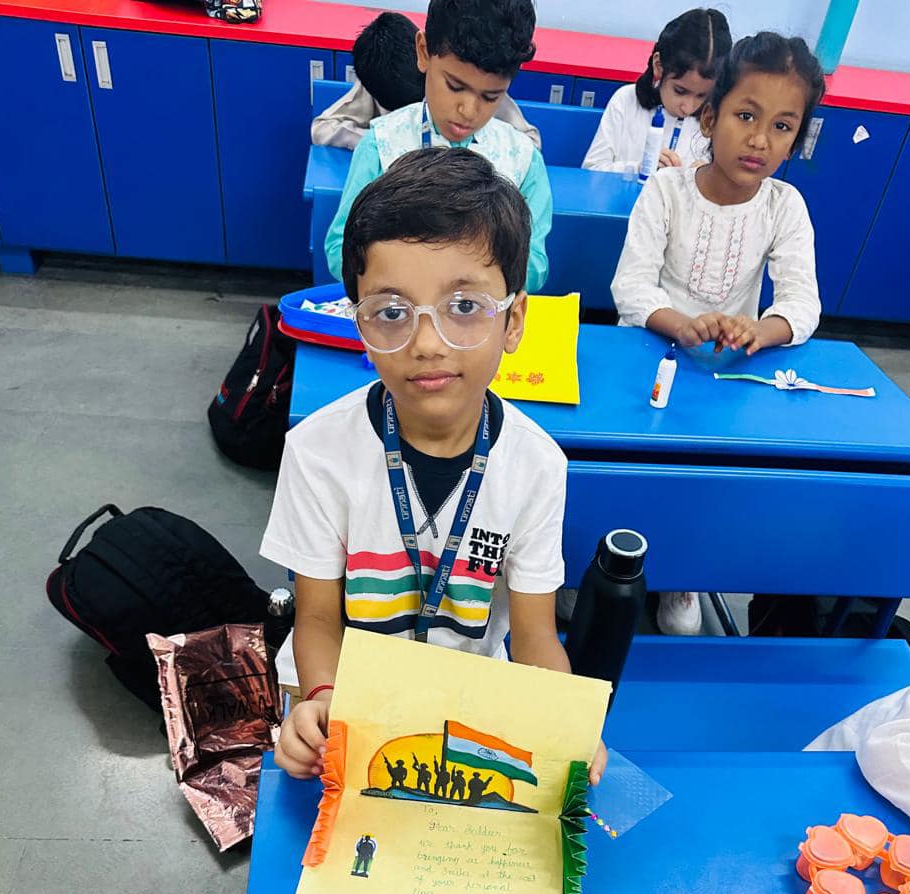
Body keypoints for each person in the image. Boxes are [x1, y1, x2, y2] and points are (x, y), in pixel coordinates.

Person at [262, 149, 605, 786]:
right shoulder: (317, 451)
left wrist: (564, 720)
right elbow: (314, 618)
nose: (427, 342)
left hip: (464, 703)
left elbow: (532, 634)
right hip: (344, 700)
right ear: (358, 323)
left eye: (465, 308)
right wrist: (319, 700)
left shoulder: (535, 465)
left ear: (514, 321)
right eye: (391, 313)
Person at [611, 31, 824, 635]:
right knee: (632, 468)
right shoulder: (667, 190)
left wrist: (764, 330)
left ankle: (682, 573)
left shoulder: (785, 207)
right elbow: (631, 288)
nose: (760, 139)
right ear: (710, 116)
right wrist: (681, 325)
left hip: (728, 374)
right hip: (649, 359)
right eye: (746, 116)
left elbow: (803, 303)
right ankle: (610, 560)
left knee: (708, 481)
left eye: (783, 126)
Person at [323, 0, 552, 294]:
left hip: (478, 325)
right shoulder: (382, 145)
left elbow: (533, 265)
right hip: (399, 316)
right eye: (455, 86)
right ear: (423, 52)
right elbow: (340, 248)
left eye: (491, 96)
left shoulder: (522, 160)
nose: (469, 110)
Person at [310, 11, 541, 152]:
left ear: (426, 61)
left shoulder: (474, 88)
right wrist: (387, 142)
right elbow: (322, 128)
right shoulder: (376, 80)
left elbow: (530, 143)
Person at [584, 10, 731, 175]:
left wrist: (708, 178)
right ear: (658, 66)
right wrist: (638, 168)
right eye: (680, 91)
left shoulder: (715, 120)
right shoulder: (626, 100)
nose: (688, 107)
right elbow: (591, 171)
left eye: (702, 96)